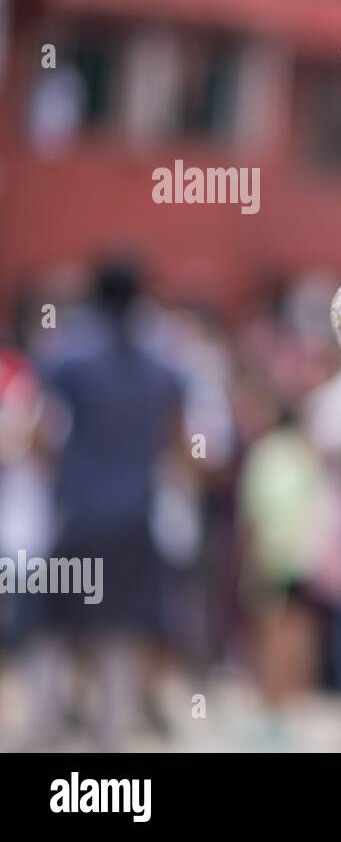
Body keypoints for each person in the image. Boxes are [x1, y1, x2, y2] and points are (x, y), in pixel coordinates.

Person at [21, 259, 185, 750]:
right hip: (135, 519)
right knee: (118, 634)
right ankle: (109, 742)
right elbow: (178, 444)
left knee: (50, 627)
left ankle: (42, 731)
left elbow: (39, 434)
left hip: (77, 515)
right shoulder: (164, 366)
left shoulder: (68, 358)